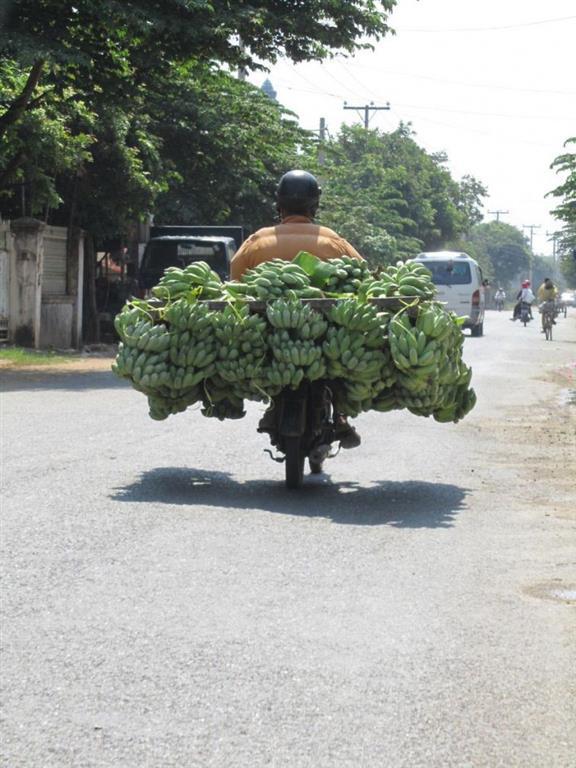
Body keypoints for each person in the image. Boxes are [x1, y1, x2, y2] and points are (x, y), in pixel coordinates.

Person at [230, 170, 364, 449]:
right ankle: (339, 415)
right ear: (315, 207)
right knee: (338, 365)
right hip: (326, 335)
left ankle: (275, 407)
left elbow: (236, 278)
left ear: (279, 206)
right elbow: (362, 276)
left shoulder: (258, 241)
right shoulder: (333, 241)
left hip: (266, 333)